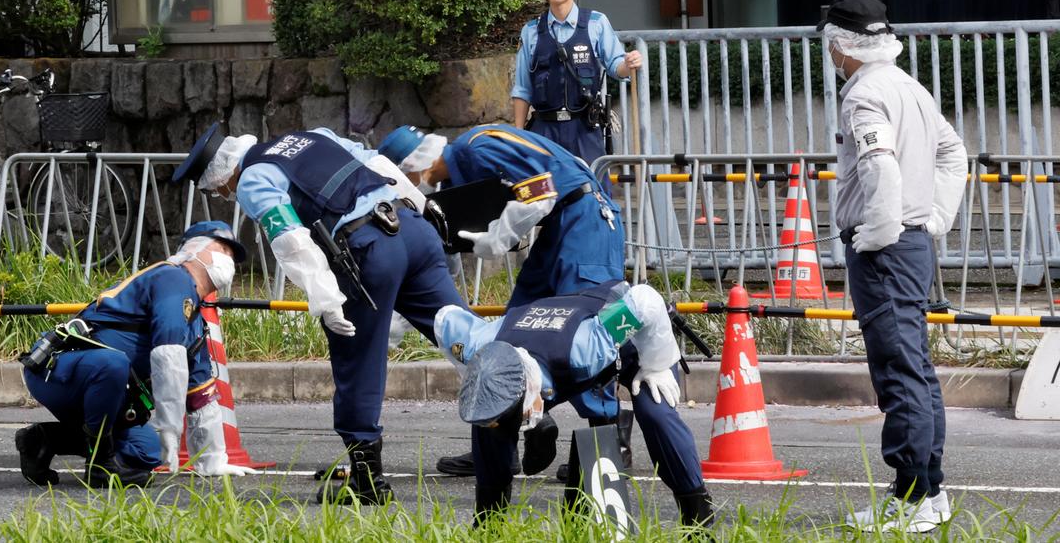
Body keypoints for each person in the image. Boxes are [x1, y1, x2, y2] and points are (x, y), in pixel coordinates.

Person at [172, 123, 468, 504]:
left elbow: (291, 240)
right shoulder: (314, 135)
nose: (226, 196)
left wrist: (325, 298)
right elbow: (381, 165)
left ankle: (366, 481)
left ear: (224, 175)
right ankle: (521, 402)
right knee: (458, 329)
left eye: (219, 190)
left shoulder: (253, 179)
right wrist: (424, 209)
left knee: (357, 358)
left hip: (370, 248)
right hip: (410, 227)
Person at [378, 124, 632, 480]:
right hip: (559, 228)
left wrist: (496, 239)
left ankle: (599, 457)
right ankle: (498, 442)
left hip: (585, 221)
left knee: (585, 332)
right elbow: (439, 257)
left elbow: (542, 191)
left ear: (412, 167)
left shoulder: (477, 148)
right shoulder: (458, 178)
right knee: (511, 334)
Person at [820, 0, 967, 533]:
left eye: (830, 41)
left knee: (898, 370)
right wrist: (933, 219)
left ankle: (911, 498)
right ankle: (930, 491)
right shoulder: (910, 86)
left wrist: (878, 231)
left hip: (885, 248)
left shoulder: (863, 95)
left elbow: (879, 165)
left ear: (840, 44)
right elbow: (955, 153)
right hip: (912, 244)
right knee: (916, 368)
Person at [436, 282, 712, 526]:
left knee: (656, 413)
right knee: (489, 426)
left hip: (636, 341)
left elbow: (645, 300)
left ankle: (698, 517)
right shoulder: (475, 343)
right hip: (541, 345)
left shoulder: (585, 349)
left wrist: (657, 364)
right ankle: (488, 524)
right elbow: (444, 317)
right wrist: (481, 376)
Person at [14, 221, 256, 487]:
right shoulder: (172, 278)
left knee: (148, 451)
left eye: (232, 255)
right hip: (58, 372)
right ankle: (99, 466)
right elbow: (168, 354)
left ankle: (44, 439)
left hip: (103, 390)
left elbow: (201, 396)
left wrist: (213, 462)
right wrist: (171, 426)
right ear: (195, 250)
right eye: (222, 249)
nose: (229, 259)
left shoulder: (196, 321)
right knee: (112, 363)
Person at [510, 0, 643, 166]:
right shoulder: (531, 31)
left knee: (593, 193)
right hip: (544, 130)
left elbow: (615, 65)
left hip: (585, 129)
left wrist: (629, 64)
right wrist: (518, 134)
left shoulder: (596, 23)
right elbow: (523, 88)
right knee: (544, 198)